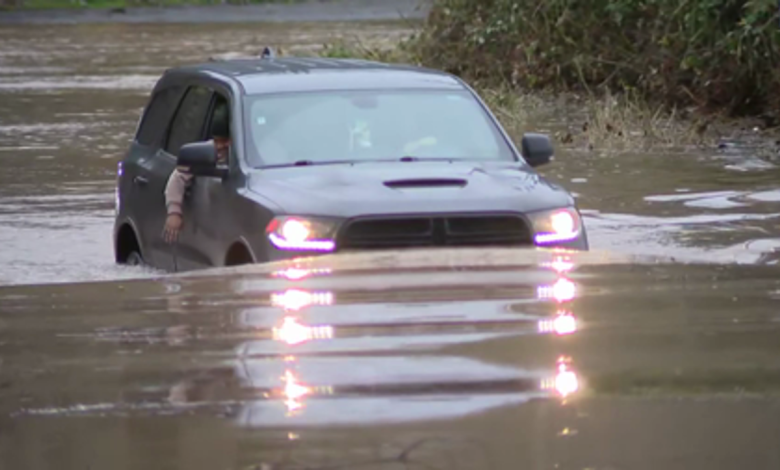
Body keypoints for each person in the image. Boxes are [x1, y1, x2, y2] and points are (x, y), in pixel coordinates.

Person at [162, 103, 231, 244]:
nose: (221, 146)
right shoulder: (208, 153)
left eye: (226, 141)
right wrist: (174, 212)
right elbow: (178, 177)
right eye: (217, 141)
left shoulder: (257, 151)